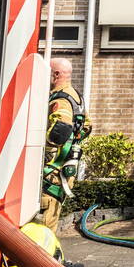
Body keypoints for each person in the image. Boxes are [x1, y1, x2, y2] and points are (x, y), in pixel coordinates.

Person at [40, 57, 90, 233]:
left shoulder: (60, 99)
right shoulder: (75, 97)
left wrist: (44, 153)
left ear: (56, 74)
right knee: (51, 217)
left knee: (44, 223)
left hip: (51, 172)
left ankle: (43, 258)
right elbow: (87, 127)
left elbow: (61, 129)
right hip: (63, 170)